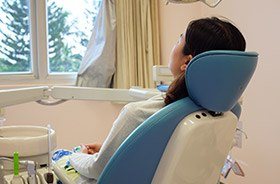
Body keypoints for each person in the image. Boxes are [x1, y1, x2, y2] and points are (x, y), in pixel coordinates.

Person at [69, 17, 246, 181]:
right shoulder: (226, 113)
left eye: (179, 39)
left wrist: (76, 155)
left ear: (187, 62)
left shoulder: (138, 114)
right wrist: (117, 150)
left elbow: (98, 169)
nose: (174, 44)